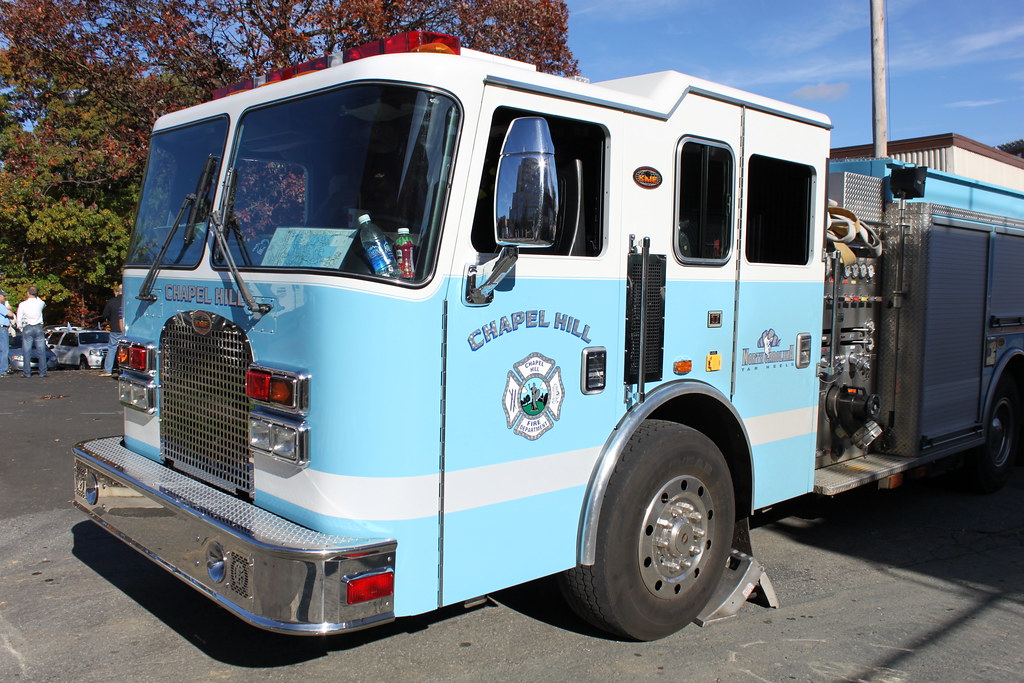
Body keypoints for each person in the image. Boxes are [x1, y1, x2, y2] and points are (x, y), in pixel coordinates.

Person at [16, 285, 47, 378]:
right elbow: (43, 304)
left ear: (27, 293)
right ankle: (42, 372)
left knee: (26, 351)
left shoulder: (23, 304)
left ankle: (27, 372)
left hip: (28, 327)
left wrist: (20, 327)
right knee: (41, 350)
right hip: (38, 327)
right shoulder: (40, 303)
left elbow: (19, 317)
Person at [100, 283, 123, 377]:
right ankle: (123, 370)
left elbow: (105, 314)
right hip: (127, 330)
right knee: (124, 349)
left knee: (112, 349)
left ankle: (108, 370)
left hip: (115, 328)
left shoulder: (112, 302)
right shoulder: (129, 302)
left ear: (117, 291)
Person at [0, 290, 13, 377]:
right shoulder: (1, 306)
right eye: (3, 296)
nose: (5, 298)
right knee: (4, 349)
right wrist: (8, 308)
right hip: (2, 329)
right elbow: (10, 314)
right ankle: (3, 370)